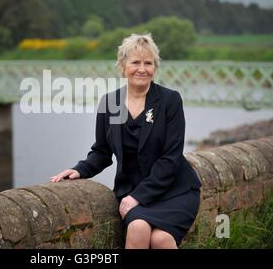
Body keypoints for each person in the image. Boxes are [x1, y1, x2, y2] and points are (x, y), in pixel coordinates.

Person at [50, 33, 202, 249]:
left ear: (155, 68)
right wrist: (80, 169)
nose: (142, 68)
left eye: (148, 63)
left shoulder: (169, 100)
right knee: (139, 227)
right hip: (132, 189)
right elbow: (102, 151)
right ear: (122, 67)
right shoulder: (111, 103)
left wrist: (138, 197)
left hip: (175, 189)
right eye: (135, 62)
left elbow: (171, 158)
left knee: (161, 240)